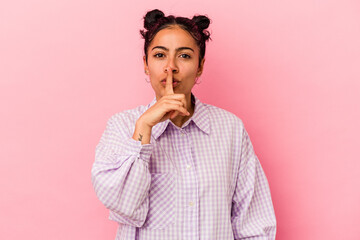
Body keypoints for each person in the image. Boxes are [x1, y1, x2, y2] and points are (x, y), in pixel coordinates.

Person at [91, 9, 276, 240]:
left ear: (200, 66)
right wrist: (145, 127)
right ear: (146, 64)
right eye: (159, 55)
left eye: (184, 56)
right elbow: (121, 203)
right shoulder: (122, 126)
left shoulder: (230, 130)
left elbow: (254, 223)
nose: (171, 67)